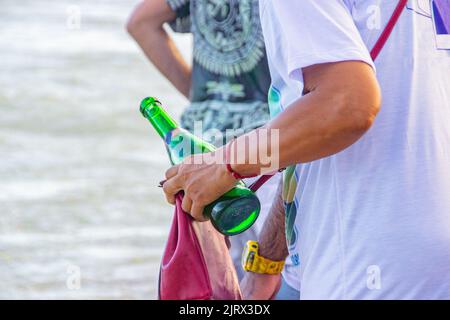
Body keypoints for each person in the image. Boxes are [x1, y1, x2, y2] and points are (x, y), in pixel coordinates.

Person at [161, 0, 450, 299]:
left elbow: (346, 106)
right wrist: (268, 261)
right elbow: (314, 143)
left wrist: (225, 163)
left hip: (371, 263)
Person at [126, 0, 300, 298]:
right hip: (269, 146)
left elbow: (141, 22)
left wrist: (203, 100)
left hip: (205, 152)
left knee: (225, 285)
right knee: (287, 275)